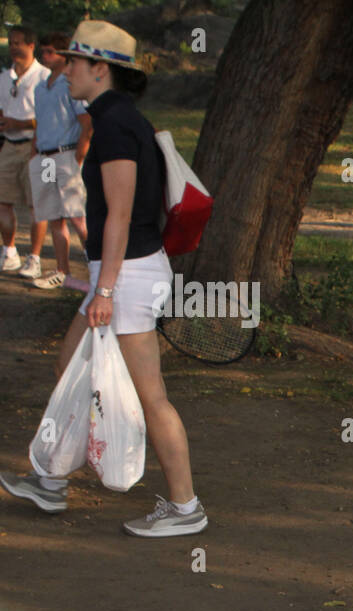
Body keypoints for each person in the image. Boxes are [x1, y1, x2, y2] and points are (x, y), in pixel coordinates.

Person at [0, 21, 208, 537]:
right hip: (121, 273)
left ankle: (185, 508)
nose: (64, 68)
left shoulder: (116, 125)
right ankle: (51, 478)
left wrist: (106, 291)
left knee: (150, 394)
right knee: (68, 365)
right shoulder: (112, 117)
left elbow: (118, 215)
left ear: (101, 69)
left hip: (128, 277)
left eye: (73, 61)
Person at [28, 32, 92, 292]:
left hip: (65, 154)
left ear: (64, 55)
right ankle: (62, 270)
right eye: (43, 51)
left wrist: (78, 156)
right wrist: (34, 150)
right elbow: (40, 122)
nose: (45, 56)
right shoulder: (41, 87)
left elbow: (86, 123)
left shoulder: (71, 84)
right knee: (54, 216)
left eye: (50, 52)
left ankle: (97, 266)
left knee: (77, 217)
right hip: (44, 157)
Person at [0, 26, 50, 278]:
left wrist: (19, 123)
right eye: (11, 43)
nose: (13, 47)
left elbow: (49, 118)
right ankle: (9, 251)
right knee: (2, 201)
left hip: (36, 147)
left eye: (18, 43)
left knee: (37, 205)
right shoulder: (4, 76)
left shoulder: (44, 77)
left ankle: (35, 257)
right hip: (9, 145)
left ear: (32, 46)